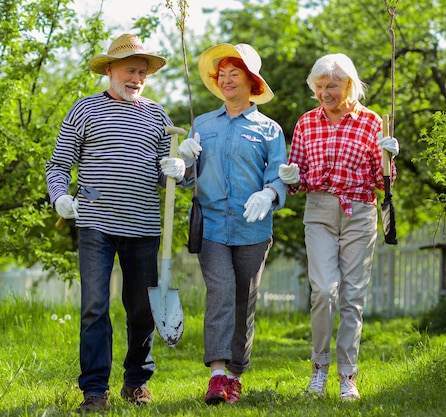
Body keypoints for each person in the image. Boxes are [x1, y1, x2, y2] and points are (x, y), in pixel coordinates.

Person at [45, 33, 187, 413]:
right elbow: (58, 165)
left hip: (143, 227)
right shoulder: (84, 110)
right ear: (109, 69)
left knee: (141, 308)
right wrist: (59, 195)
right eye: (130, 70)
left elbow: (171, 177)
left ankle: (136, 382)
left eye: (143, 72)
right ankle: (94, 390)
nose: (137, 78)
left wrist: (181, 168)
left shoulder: (157, 115)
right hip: (96, 224)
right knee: (94, 306)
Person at [278, 53, 399, 401]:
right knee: (323, 291)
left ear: (349, 84)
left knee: (352, 297)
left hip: (360, 211)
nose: (324, 92)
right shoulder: (306, 123)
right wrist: (290, 176)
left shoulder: (372, 122)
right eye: (319, 86)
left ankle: (348, 376)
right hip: (319, 209)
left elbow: (383, 182)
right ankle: (318, 370)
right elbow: (297, 181)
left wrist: (389, 155)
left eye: (331, 85)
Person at [176, 43, 287, 405]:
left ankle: (236, 374)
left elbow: (280, 177)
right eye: (221, 74)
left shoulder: (270, 130)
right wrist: (182, 167)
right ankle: (216, 375)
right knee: (221, 292)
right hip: (211, 226)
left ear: (251, 81)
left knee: (245, 300)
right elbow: (190, 177)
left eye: (233, 74)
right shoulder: (203, 124)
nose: (225, 80)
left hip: (253, 230)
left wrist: (270, 194)